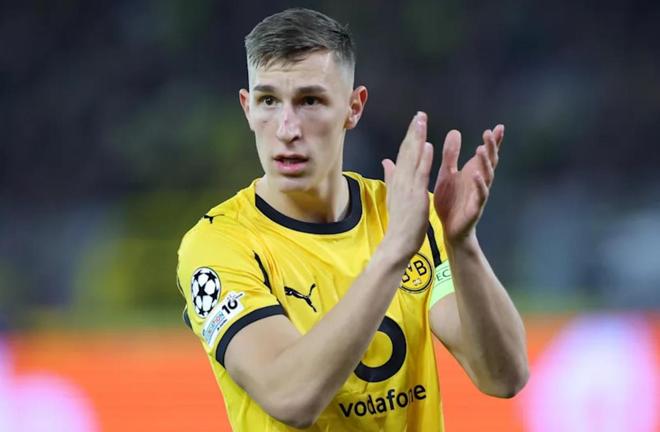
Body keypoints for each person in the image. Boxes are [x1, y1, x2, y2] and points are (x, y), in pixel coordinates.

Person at [177, 7, 528, 431]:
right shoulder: (220, 245)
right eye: (269, 101)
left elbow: (503, 376)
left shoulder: (407, 215)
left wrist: (462, 243)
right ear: (247, 108)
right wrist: (393, 252)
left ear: (353, 107)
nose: (287, 129)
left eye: (310, 101)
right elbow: (290, 396)